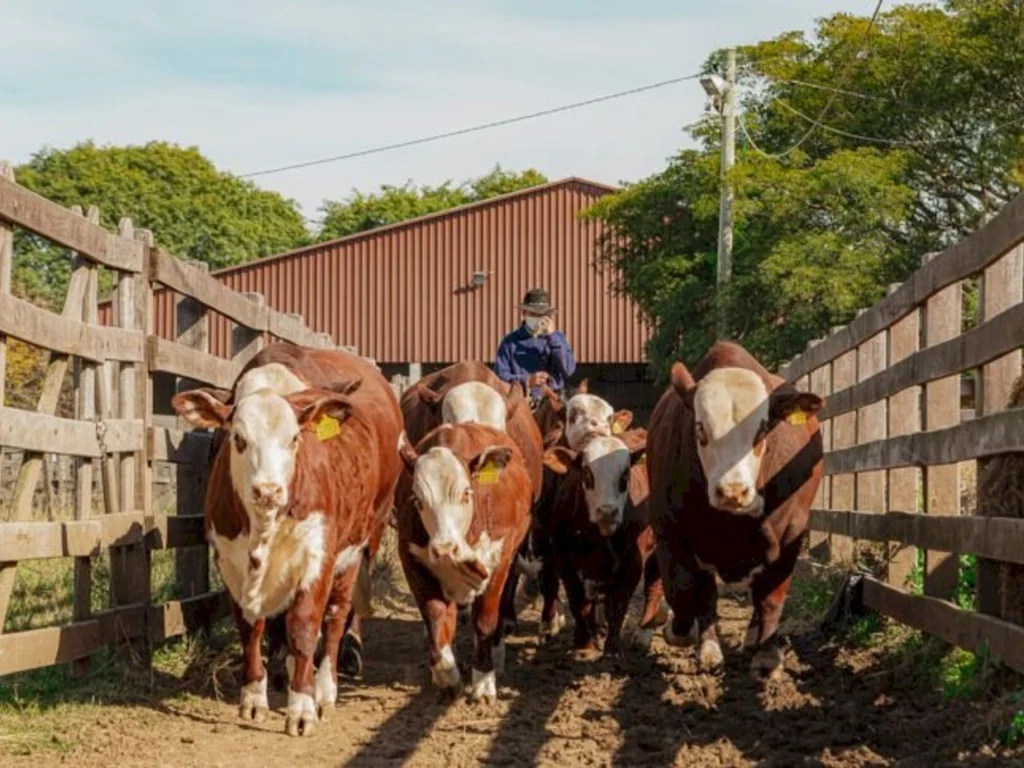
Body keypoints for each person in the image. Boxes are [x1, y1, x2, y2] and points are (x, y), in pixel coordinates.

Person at [495, 288, 577, 405]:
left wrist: (552, 337)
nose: (538, 318)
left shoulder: (558, 338)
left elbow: (568, 370)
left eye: (542, 314)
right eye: (533, 314)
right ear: (524, 314)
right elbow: (500, 376)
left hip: (553, 401)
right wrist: (526, 380)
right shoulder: (509, 342)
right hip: (521, 403)